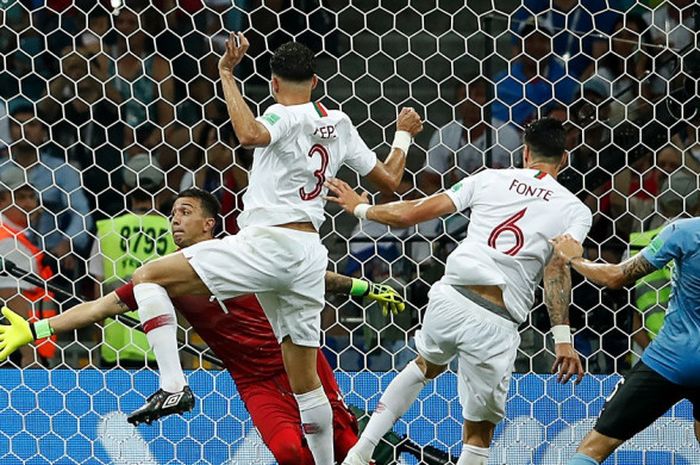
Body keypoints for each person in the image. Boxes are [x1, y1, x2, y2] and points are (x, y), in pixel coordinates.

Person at [122, 34, 422, 465]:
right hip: (308, 252)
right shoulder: (338, 122)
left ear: (274, 83)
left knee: (148, 277)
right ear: (316, 81)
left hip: (267, 243)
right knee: (307, 385)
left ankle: (173, 385)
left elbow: (247, 133)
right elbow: (391, 180)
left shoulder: (281, 114)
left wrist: (226, 73)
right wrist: (402, 135)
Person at [0, 188, 405, 465]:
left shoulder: (243, 254)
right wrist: (37, 330)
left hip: (296, 359)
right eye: (172, 214)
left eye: (186, 213)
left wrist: (362, 287)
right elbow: (98, 308)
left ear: (210, 224)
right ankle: (174, 387)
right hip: (253, 381)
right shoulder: (164, 278)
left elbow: (308, 274)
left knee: (351, 448)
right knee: (289, 454)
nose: (175, 221)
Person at [325, 117, 592, 465]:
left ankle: (360, 454)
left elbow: (415, 212)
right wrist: (562, 340)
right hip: (497, 320)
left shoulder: (489, 178)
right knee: (479, 431)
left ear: (525, 152)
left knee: (422, 366)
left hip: (452, 298)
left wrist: (361, 207)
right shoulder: (575, 210)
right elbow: (557, 270)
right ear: (565, 159)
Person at [550, 217, 700, 465]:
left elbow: (616, 276)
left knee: (595, 448)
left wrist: (574, 258)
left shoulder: (684, 231)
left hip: (670, 360)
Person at [87, 154, 176, 368]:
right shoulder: (175, 231)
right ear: (162, 189)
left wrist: (96, 346)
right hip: (164, 343)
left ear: (125, 189)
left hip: (115, 342)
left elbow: (98, 292)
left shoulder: (108, 229)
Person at [0, 164, 56, 367]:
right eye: (21, 197)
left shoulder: (13, 234)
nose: (29, 204)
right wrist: (29, 353)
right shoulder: (9, 241)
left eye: (32, 197)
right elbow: (11, 296)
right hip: (16, 347)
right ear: (2, 200)